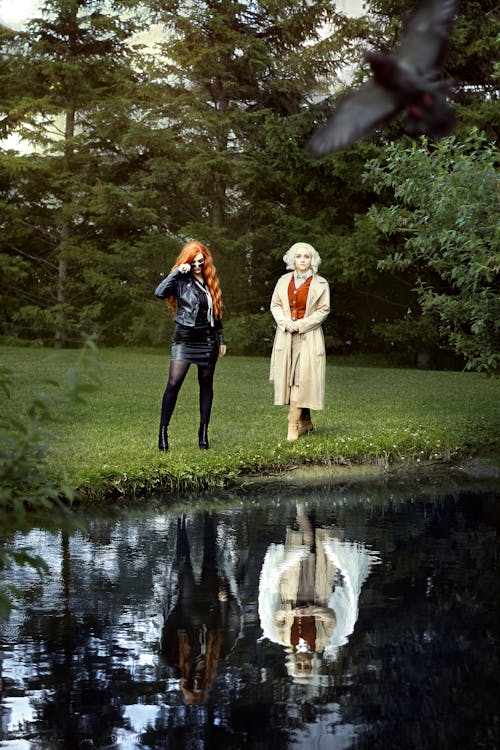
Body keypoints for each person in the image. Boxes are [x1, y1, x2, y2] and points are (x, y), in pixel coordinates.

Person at [258, 503, 381, 687]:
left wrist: (291, 612)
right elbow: (331, 618)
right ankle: (319, 506)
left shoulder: (284, 639)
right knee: (320, 546)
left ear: (293, 663)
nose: (302, 662)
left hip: (291, 590)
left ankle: (301, 508)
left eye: (299, 665)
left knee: (304, 543)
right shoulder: (322, 642)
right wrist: (312, 610)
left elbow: (277, 616)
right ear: (312, 664)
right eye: (305, 666)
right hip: (318, 592)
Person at [154, 240, 226, 451]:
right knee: (174, 383)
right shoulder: (180, 279)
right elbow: (159, 292)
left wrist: (221, 340)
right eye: (193, 262)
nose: (196, 266)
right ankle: (163, 434)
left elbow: (217, 314)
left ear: (205, 262)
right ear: (187, 262)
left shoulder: (209, 280)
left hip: (208, 340)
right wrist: (177, 271)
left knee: (206, 385)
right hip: (184, 340)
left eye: (200, 262)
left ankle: (203, 435)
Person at [269, 242, 330, 441]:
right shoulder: (283, 281)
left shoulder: (321, 283)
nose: (302, 260)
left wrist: (301, 324)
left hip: (309, 337)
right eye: (299, 256)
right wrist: (286, 323)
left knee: (300, 380)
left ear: (313, 260)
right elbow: (275, 305)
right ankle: (306, 421)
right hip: (286, 336)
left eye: (306, 256)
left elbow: (323, 310)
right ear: (292, 259)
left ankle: (292, 426)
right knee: (290, 379)